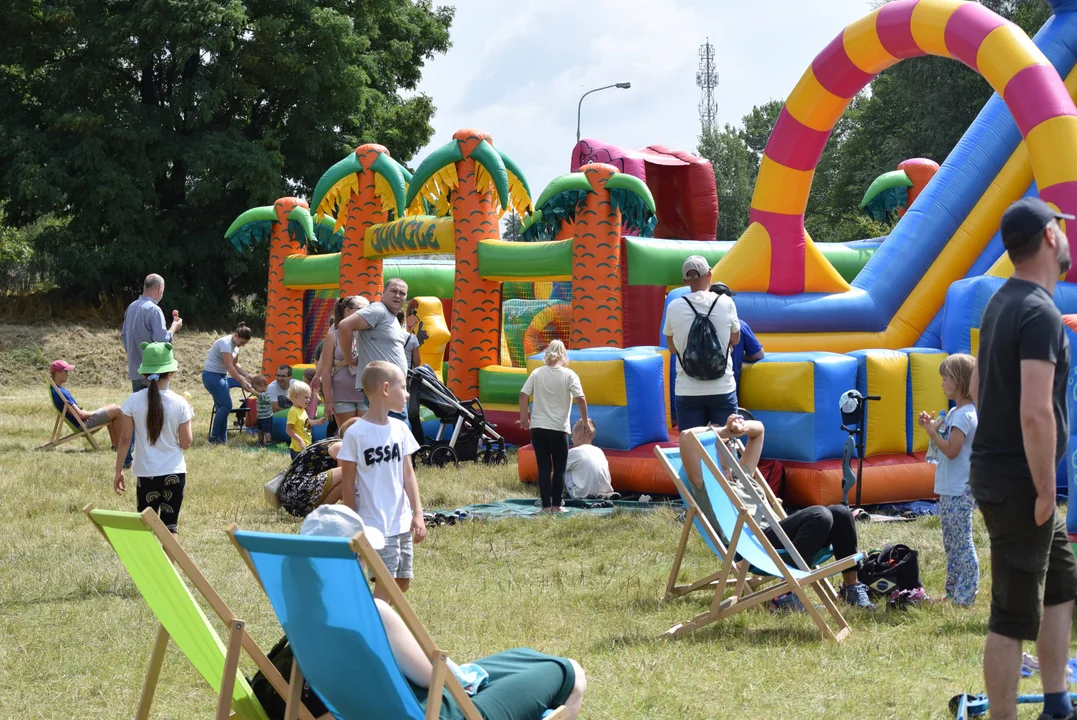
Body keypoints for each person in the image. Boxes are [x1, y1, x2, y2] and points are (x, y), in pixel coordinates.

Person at [299, 504, 587, 719]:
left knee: (522, 656)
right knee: (571, 671)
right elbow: (433, 678)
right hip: (437, 711)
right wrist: (462, 678)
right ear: (355, 557)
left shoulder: (299, 614)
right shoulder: (369, 612)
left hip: (373, 710)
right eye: (362, 555)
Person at [970, 197, 1077, 720]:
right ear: (1051, 236)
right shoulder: (1038, 312)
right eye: (1063, 227)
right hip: (1019, 483)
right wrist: (1040, 491)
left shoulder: (1003, 301)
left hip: (1004, 473)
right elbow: (1036, 412)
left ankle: (1056, 703)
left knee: (1061, 581)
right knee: (1012, 613)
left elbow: (974, 384)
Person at [679, 414, 875, 611]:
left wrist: (739, 426)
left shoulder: (742, 473)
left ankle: (850, 588)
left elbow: (759, 430)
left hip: (775, 535)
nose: (731, 446)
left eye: (731, 442)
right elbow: (686, 436)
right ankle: (787, 593)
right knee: (820, 515)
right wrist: (724, 432)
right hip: (751, 544)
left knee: (841, 513)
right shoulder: (705, 484)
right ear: (709, 451)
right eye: (725, 443)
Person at [337, 361, 426, 603]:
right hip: (375, 524)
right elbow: (347, 484)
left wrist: (417, 513)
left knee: (403, 581)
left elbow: (408, 474)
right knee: (385, 583)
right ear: (386, 389)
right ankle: (373, 628)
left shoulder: (400, 429)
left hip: (402, 521)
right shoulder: (356, 434)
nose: (407, 394)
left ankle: (369, 614)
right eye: (403, 387)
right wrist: (352, 524)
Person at [113, 342, 194, 534]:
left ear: (143, 374)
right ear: (171, 373)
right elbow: (186, 443)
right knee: (170, 529)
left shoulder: (133, 401)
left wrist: (118, 471)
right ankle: (169, 565)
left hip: (146, 473)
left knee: (144, 529)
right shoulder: (181, 403)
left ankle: (144, 564)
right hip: (175, 472)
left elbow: (125, 440)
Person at [918, 353, 979, 607]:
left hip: (958, 489)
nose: (942, 384)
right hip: (951, 488)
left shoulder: (963, 415)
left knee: (961, 541)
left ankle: (966, 593)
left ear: (959, 381)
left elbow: (953, 450)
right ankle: (953, 592)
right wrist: (932, 427)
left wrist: (932, 432)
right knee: (951, 543)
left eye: (945, 379)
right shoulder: (957, 411)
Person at [664, 256, 740, 430]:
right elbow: (735, 339)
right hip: (722, 387)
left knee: (692, 447)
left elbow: (673, 349)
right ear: (709, 275)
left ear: (684, 281)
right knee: (727, 447)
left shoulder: (674, 306)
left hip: (688, 390)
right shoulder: (726, 303)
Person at [517, 340, 589, 512]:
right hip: (558, 428)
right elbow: (580, 398)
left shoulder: (537, 373)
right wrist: (585, 421)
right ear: (564, 355)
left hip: (538, 429)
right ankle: (557, 506)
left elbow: (523, 394)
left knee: (543, 467)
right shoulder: (569, 375)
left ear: (547, 353)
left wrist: (524, 418)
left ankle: (545, 506)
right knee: (559, 468)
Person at [121, 274, 183, 467]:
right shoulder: (154, 310)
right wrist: (174, 328)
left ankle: (127, 458)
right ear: (159, 289)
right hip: (155, 370)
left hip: (136, 368)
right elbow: (161, 340)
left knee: (135, 413)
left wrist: (135, 355)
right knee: (158, 413)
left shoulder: (132, 307)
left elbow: (124, 336)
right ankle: (157, 454)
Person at [339, 278, 410, 420]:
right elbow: (344, 326)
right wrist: (349, 359)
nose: (397, 295)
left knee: (394, 435)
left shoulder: (391, 317)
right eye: (393, 291)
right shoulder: (378, 310)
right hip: (383, 389)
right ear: (383, 292)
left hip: (391, 388)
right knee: (394, 434)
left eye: (402, 293)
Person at [276, 418, 359, 517]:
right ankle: (321, 513)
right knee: (348, 473)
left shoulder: (331, 441)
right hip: (297, 495)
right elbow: (347, 481)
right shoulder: (341, 446)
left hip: (291, 496)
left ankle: (321, 511)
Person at [318, 295, 370, 429]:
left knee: (366, 434)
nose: (368, 313)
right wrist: (328, 400)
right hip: (342, 394)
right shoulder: (333, 335)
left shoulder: (369, 334)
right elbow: (326, 369)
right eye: (363, 309)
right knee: (347, 434)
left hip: (366, 392)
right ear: (348, 310)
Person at [48, 359, 124, 449]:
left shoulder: (55, 390)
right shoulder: (61, 393)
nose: (68, 374)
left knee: (113, 406)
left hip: (81, 422)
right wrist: (95, 412)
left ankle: (115, 446)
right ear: (58, 374)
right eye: (66, 372)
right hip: (83, 424)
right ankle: (120, 447)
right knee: (118, 410)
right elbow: (81, 415)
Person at [201, 322, 254, 444]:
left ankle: (221, 439)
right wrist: (241, 381)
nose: (242, 346)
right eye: (242, 343)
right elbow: (229, 367)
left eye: (244, 344)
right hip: (212, 376)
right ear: (235, 335)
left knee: (222, 407)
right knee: (226, 405)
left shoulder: (235, 346)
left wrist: (246, 375)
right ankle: (214, 436)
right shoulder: (225, 343)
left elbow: (236, 364)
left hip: (221, 376)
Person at [710, 282, 764, 386]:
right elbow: (758, 355)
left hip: (698, 388)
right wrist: (740, 356)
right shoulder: (740, 326)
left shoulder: (698, 325)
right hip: (728, 387)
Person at [564, 418, 615, 499]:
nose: (571, 439)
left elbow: (557, 473)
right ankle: (602, 493)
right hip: (605, 492)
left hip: (583, 495)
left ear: (578, 434)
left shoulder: (574, 452)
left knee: (563, 468)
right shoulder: (599, 451)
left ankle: (564, 494)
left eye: (572, 435)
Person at [286, 381, 327, 461]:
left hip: (306, 445)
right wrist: (300, 440)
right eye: (306, 397)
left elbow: (307, 423)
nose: (308, 400)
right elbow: (288, 430)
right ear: (295, 397)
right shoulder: (293, 411)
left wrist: (318, 421)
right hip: (297, 449)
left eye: (309, 397)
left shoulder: (302, 409)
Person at [251, 375, 274, 446]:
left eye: (256, 388)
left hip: (266, 417)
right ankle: (260, 441)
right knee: (259, 431)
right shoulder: (260, 394)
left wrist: (252, 390)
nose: (255, 390)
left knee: (266, 431)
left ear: (262, 385)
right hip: (260, 417)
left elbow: (259, 395)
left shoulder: (266, 394)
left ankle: (268, 441)